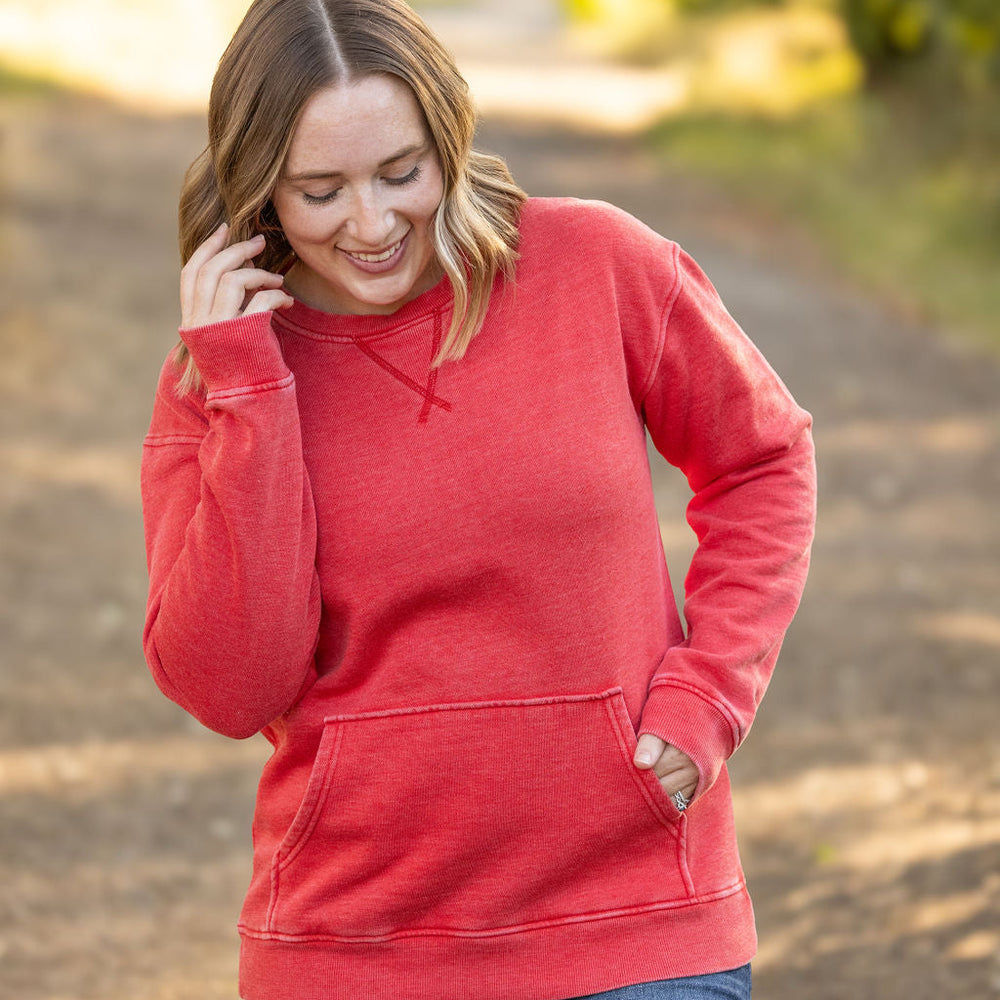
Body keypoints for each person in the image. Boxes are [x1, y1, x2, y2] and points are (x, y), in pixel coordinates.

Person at [140, 1, 816, 998]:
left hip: (636, 930)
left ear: (448, 139)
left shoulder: (598, 264)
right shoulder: (218, 379)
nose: (370, 226)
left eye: (400, 172)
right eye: (319, 190)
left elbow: (762, 458)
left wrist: (709, 691)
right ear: (258, 191)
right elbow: (230, 685)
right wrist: (248, 384)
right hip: (353, 950)